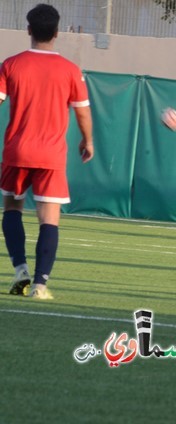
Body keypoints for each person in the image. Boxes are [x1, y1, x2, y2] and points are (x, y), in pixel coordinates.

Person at [0, 4, 94, 299]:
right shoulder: (70, 70)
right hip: (51, 156)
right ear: (57, 33)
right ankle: (40, 285)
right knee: (49, 219)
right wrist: (87, 140)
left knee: (12, 209)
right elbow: (82, 113)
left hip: (17, 152)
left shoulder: (11, 65)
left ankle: (20, 271)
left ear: (29, 30)